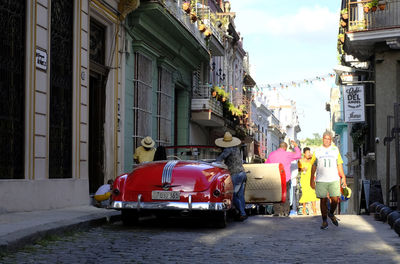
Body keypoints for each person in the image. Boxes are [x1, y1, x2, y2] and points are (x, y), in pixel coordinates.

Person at [310, 131, 347, 230]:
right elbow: (313, 166)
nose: (326, 140)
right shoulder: (317, 151)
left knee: (335, 199)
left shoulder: (335, 150)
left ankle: (331, 213)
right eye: (325, 138)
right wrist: (311, 180)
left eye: (329, 139)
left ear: (331, 140)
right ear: (322, 139)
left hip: (333, 178)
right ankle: (324, 221)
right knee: (323, 200)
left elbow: (339, 164)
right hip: (321, 179)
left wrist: (343, 176)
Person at [215, 132, 247, 221]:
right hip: (242, 173)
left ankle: (242, 213)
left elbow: (219, 159)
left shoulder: (228, 149)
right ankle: (242, 212)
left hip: (235, 174)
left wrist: (214, 161)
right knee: (240, 195)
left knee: (233, 194)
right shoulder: (236, 148)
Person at [266, 140, 301, 216]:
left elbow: (266, 165)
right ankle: (285, 212)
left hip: (274, 177)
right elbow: (298, 155)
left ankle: (277, 211)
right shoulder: (287, 154)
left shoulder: (272, 154)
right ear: (285, 148)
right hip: (285, 178)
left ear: (279, 147)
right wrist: (296, 146)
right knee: (285, 195)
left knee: (275, 194)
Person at [298, 147, 318, 215]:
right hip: (304, 179)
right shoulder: (300, 161)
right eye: (307, 153)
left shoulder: (311, 160)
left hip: (311, 179)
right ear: (304, 154)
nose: (309, 154)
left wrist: (311, 155)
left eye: (309, 152)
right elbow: (298, 169)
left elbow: (315, 156)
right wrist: (302, 168)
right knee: (305, 194)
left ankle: (314, 209)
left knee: (313, 194)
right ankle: (304, 210)